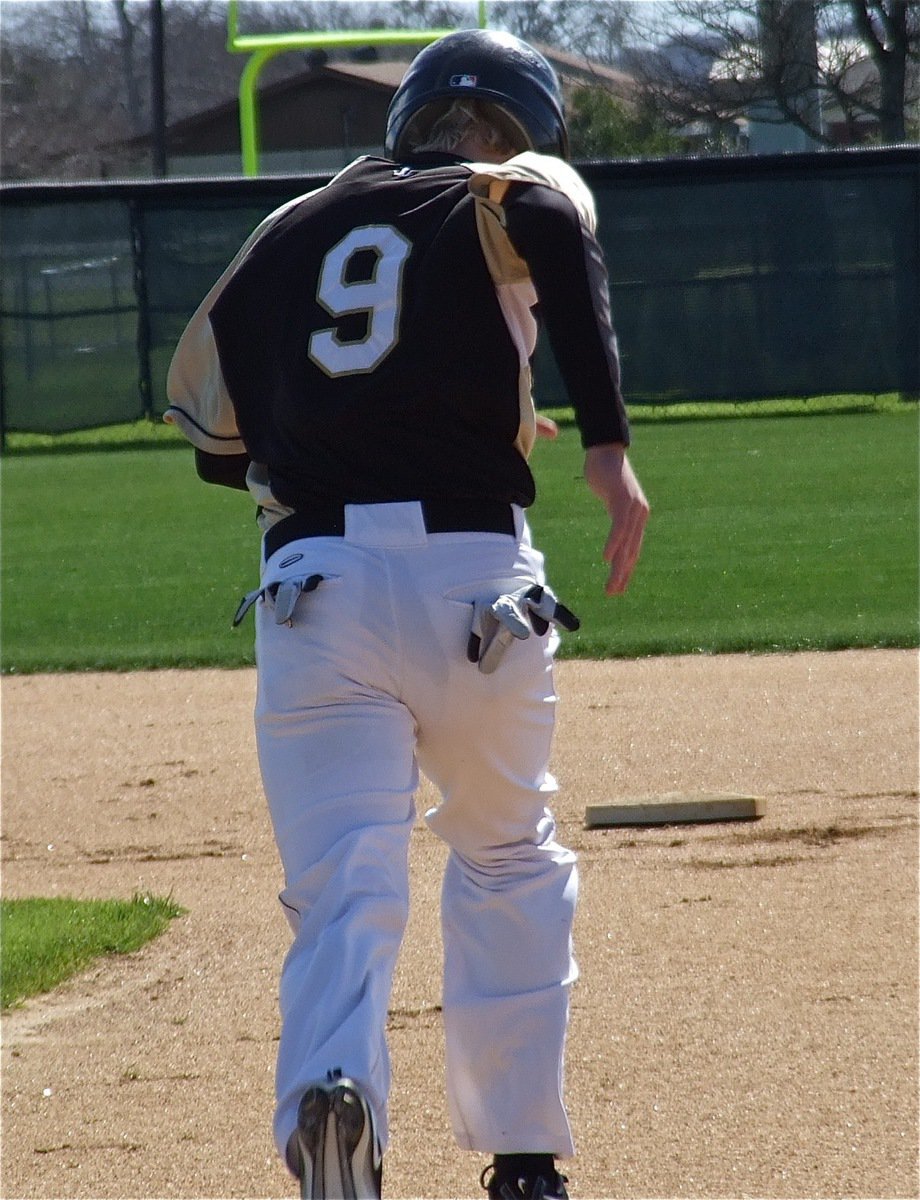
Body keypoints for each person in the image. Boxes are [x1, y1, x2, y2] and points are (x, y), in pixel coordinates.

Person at [165, 27, 648, 1200]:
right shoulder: (508, 185)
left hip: (314, 584)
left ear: (405, 120)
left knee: (343, 883)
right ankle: (522, 1160)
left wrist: (363, 432)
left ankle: (332, 1093)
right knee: (506, 856)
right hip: (473, 586)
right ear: (520, 128)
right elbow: (550, 222)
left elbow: (214, 430)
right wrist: (604, 446)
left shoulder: (293, 223)